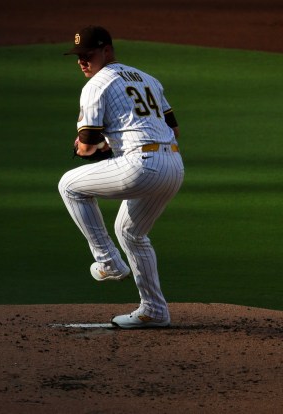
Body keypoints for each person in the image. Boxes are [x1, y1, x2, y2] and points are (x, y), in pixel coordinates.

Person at [58, 26, 184, 329]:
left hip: (142, 166)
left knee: (69, 185)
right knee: (130, 232)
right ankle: (154, 309)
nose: (82, 62)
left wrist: (88, 147)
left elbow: (86, 146)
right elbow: (174, 130)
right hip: (174, 165)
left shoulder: (96, 85)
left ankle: (108, 261)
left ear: (107, 51)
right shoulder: (147, 79)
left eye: (88, 55)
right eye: (78, 57)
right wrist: (106, 145)